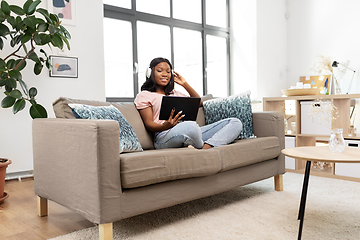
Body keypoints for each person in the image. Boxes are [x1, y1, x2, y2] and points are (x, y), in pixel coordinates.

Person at [134, 57, 243, 150]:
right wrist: (165, 125)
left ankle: (206, 148)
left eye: (168, 71)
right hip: (163, 136)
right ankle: (201, 145)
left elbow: (199, 102)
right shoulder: (144, 95)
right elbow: (148, 123)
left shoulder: (174, 93)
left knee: (235, 122)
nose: (165, 74)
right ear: (150, 73)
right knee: (191, 126)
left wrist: (185, 84)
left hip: (188, 131)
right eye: (160, 70)